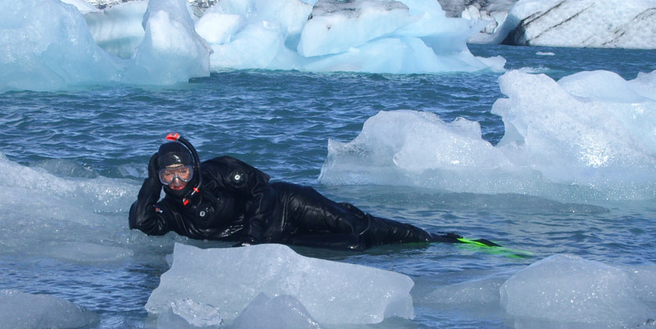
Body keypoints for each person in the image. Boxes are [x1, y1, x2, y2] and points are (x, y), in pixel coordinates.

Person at [129, 133, 464, 251]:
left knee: (356, 228)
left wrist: (255, 233)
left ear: (194, 167)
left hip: (289, 206)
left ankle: (437, 238)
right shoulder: (171, 213)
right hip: (279, 238)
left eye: (182, 172)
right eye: (167, 176)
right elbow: (142, 222)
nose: (177, 182)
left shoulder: (220, 172)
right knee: (353, 246)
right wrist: (149, 182)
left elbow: (263, 187)